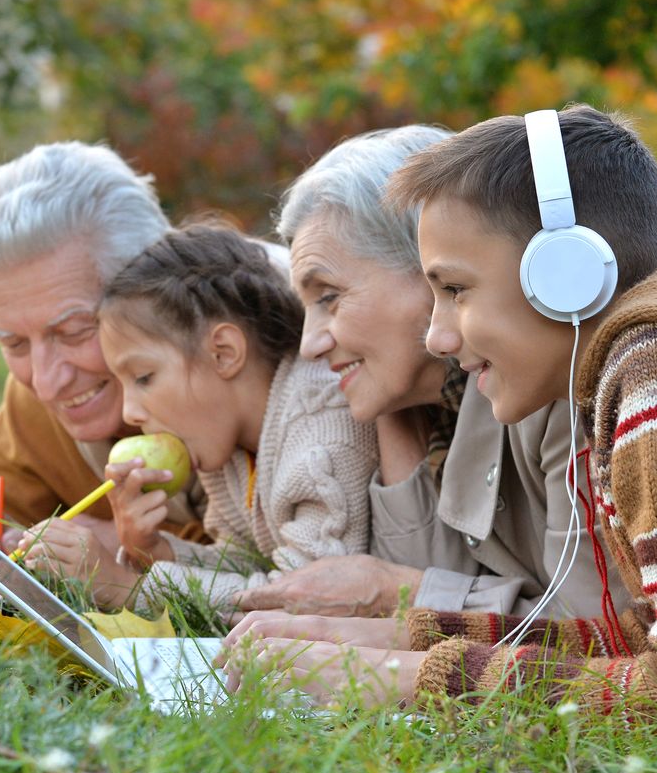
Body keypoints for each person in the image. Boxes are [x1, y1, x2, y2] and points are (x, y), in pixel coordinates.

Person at [239, 104, 657, 712]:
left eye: (455, 290)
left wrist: (400, 678)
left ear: (567, 274)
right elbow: (638, 645)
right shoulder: (652, 367)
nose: (438, 338)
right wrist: (401, 639)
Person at [228, 127, 628, 625]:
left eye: (328, 297)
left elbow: (592, 638)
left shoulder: (555, 379)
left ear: (430, 269)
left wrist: (398, 594)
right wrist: (385, 400)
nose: (310, 343)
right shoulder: (435, 410)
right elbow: (434, 581)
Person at [18, 224, 378, 611]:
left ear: (223, 353)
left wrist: (128, 589)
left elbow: (302, 599)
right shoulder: (227, 441)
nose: (130, 412)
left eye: (143, 378)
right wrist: (155, 551)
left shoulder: (322, 432)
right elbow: (247, 565)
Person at [0, 142, 207, 585]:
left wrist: (122, 547)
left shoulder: (250, 369)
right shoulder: (35, 390)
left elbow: (272, 563)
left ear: (157, 289)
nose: (45, 382)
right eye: (13, 342)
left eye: (75, 332)